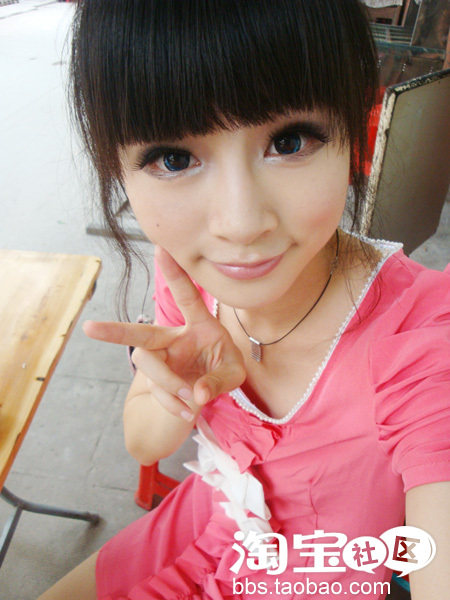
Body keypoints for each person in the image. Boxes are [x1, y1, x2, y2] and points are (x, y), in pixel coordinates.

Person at [39, 1, 450, 599]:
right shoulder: (191, 280)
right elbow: (144, 442)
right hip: (194, 529)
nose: (240, 224)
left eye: (289, 141)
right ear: (118, 169)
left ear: (351, 132)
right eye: (174, 158)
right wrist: (180, 393)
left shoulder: (422, 337)